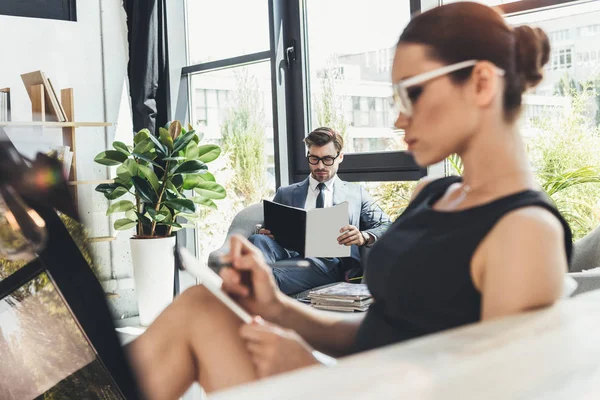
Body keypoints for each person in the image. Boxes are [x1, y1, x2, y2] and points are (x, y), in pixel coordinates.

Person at [127, 3, 572, 399]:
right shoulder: (433, 195)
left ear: (479, 83)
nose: (398, 118)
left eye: (411, 93)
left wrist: (316, 376)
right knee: (201, 307)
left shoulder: (525, 233)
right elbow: (381, 332)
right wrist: (278, 309)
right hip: (358, 378)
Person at [248, 126, 391, 294]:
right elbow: (271, 233)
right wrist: (267, 233)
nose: (320, 166)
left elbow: (387, 225)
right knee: (258, 240)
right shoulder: (285, 193)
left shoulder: (356, 194)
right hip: (288, 257)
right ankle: (259, 283)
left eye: (328, 159)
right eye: (314, 159)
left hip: (328, 265)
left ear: (340, 157)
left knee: (258, 277)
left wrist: (363, 236)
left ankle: (256, 283)